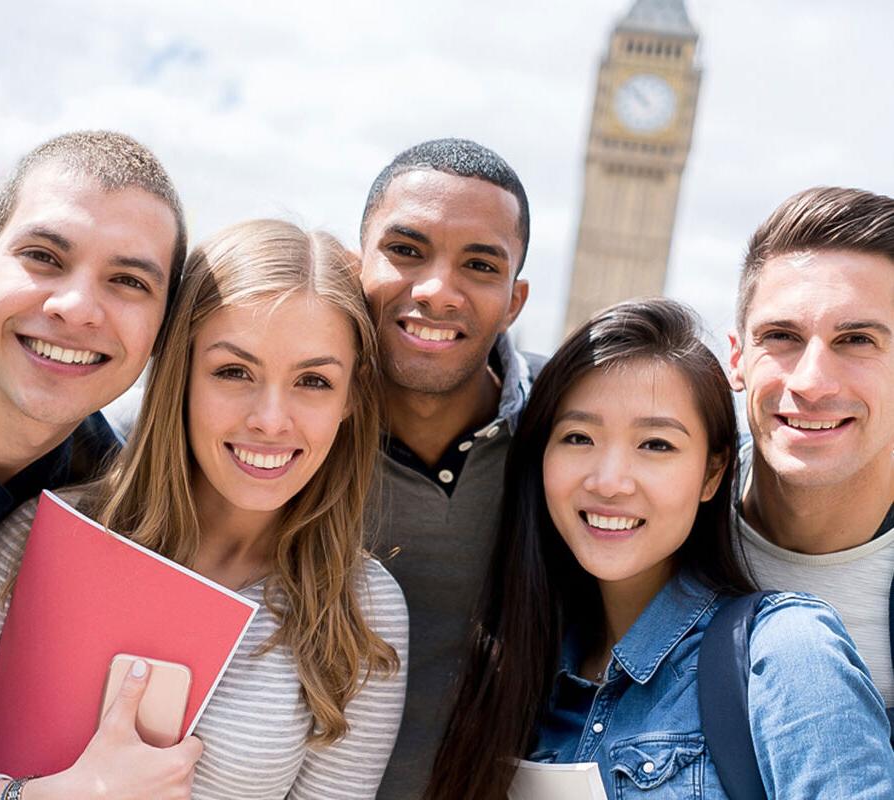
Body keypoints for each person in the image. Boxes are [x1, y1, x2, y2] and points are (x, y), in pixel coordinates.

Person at [0, 220, 407, 799]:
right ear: (180, 375)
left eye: (313, 381)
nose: (270, 418)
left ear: (351, 398)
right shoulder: (42, 536)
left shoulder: (365, 612)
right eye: (234, 371)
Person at [427, 298, 894, 800]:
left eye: (655, 445)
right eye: (579, 437)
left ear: (713, 473)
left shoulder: (785, 654)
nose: (609, 482)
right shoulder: (515, 667)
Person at [359, 138, 539, 797]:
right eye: (406, 251)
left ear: (514, 301)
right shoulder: (285, 431)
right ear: (357, 265)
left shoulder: (567, 437)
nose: (436, 291)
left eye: (480, 265)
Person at [729, 186, 894, 705]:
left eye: (857, 340)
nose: (812, 381)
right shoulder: (653, 526)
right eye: (781, 335)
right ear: (737, 359)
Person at [0, 130, 186, 527]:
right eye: (42, 256)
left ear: (163, 331)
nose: (76, 308)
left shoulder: (125, 517)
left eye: (130, 280)